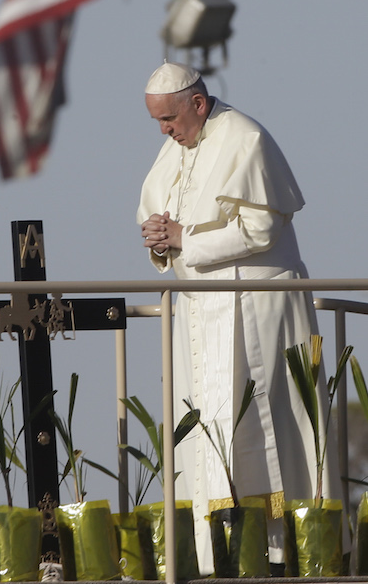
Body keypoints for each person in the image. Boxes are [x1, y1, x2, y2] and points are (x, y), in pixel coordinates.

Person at [137, 61, 341, 573]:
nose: (164, 131)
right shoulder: (172, 151)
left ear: (197, 105)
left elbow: (261, 229)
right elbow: (162, 223)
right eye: (158, 122)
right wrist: (160, 241)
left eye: (169, 119)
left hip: (258, 308)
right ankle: (213, 556)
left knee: (266, 429)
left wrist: (185, 239)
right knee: (206, 433)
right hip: (199, 314)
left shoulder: (245, 138)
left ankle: (278, 552)